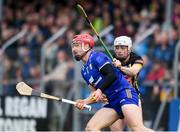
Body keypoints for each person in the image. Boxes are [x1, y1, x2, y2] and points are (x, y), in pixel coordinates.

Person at [71, 33, 152, 131]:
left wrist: (100, 91)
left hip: (124, 93)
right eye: (73, 46)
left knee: (137, 129)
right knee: (91, 128)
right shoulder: (84, 71)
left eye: (77, 45)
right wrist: (84, 101)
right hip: (112, 101)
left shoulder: (97, 57)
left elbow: (112, 75)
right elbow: (94, 93)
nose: (74, 49)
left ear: (87, 46)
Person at [111, 36, 144, 131]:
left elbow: (133, 71)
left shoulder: (137, 59)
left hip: (132, 96)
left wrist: (120, 67)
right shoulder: (111, 59)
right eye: (117, 47)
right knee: (116, 129)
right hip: (116, 96)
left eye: (123, 47)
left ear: (129, 49)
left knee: (137, 128)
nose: (119, 50)